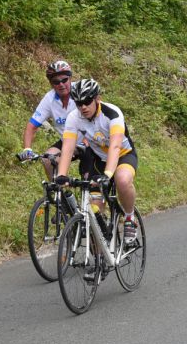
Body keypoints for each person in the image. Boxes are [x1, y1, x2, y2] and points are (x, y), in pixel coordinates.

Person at [56, 78, 140, 245]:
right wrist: (62, 175)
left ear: (97, 99)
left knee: (122, 180)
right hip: (98, 159)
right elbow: (67, 148)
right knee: (93, 211)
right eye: (79, 103)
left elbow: (115, 147)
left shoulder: (112, 113)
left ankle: (130, 218)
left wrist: (108, 174)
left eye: (87, 101)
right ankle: (99, 261)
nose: (83, 107)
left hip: (123, 155)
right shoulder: (74, 117)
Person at [18, 60, 79, 179]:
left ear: (70, 78)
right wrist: (27, 148)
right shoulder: (49, 99)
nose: (61, 84)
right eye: (56, 82)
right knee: (48, 159)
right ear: (51, 84)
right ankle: (60, 194)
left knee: (90, 179)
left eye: (64, 80)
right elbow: (32, 125)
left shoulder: (80, 90)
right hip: (67, 141)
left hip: (88, 142)